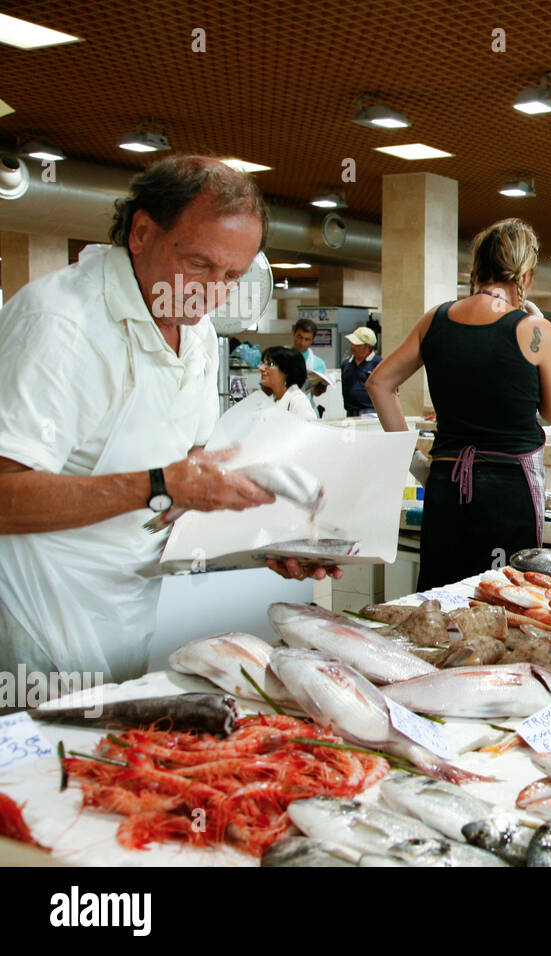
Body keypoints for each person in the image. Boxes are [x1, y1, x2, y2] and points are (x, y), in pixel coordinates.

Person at [0, 156, 337, 688]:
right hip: (35, 624)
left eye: (232, 276)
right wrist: (160, 484)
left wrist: (265, 539)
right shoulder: (60, 323)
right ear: (141, 232)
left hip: (123, 613)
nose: (214, 293)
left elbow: (183, 485)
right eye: (200, 265)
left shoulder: (196, 330)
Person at [366, 218, 551, 589]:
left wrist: (415, 463)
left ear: (477, 269)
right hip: (508, 491)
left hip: (445, 484)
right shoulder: (534, 330)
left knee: (441, 600)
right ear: (526, 275)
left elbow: (379, 383)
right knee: (502, 600)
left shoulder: (436, 320)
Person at [259, 346, 318, 422]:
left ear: (287, 370)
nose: (261, 368)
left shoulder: (298, 401)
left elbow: (309, 431)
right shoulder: (276, 399)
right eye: (263, 363)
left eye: (269, 364)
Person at [341, 326, 380, 417]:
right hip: (350, 413)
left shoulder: (379, 365)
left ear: (369, 347)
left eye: (358, 345)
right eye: (352, 343)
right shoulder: (346, 364)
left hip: (371, 413)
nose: (353, 346)